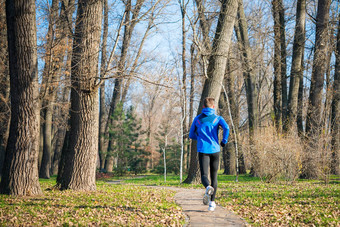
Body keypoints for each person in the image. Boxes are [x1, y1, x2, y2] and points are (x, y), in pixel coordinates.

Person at [189, 97, 229, 211]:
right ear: (213, 106)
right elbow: (226, 128)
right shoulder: (217, 119)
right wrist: (224, 141)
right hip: (215, 150)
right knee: (214, 177)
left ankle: (207, 187)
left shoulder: (197, 119)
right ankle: (212, 203)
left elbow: (191, 135)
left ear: (203, 107)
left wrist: (200, 137)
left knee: (204, 176)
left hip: (203, 150)